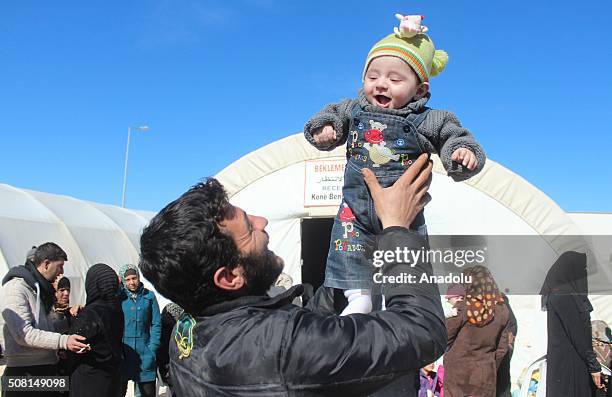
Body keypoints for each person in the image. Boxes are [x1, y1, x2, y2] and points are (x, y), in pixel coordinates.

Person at [138, 153, 446, 396]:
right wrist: (398, 231)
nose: (262, 221)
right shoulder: (283, 348)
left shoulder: (189, 330)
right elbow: (422, 330)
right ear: (229, 277)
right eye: (248, 228)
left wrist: (353, 251)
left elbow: (300, 321)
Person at [303, 13, 486, 315]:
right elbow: (329, 116)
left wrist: (461, 152)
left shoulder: (429, 118)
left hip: (404, 214)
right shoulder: (354, 108)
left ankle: (398, 302)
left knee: (404, 256)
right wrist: (326, 130)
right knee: (348, 248)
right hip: (355, 208)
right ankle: (358, 298)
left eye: (394, 79)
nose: (381, 84)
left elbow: (453, 136)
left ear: (421, 90)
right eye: (372, 77)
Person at [1, 243, 89, 397]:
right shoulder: (16, 289)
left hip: (47, 368)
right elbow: (24, 334)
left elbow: (45, 329)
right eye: (60, 266)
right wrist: (63, 341)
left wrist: (69, 321)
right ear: (46, 263)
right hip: (24, 375)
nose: (61, 272)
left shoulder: (39, 290)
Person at [540, 251, 604, 396]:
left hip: (567, 364)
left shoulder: (560, 295)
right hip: (571, 368)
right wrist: (593, 365)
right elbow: (579, 335)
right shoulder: (564, 297)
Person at [444, 265, 510, 397]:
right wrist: (489, 364)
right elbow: (502, 348)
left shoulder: (462, 308)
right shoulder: (502, 311)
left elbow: (444, 336)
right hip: (485, 375)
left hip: (458, 373)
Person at [68, 263, 124, 397]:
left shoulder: (91, 312)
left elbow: (74, 341)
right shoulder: (117, 309)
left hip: (89, 378)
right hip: (112, 377)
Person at [118, 263, 161, 397]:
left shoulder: (149, 296)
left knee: (147, 392)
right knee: (118, 391)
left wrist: (152, 349)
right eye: (128, 279)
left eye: (134, 278)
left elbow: (156, 324)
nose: (132, 282)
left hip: (145, 352)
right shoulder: (119, 297)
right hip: (124, 351)